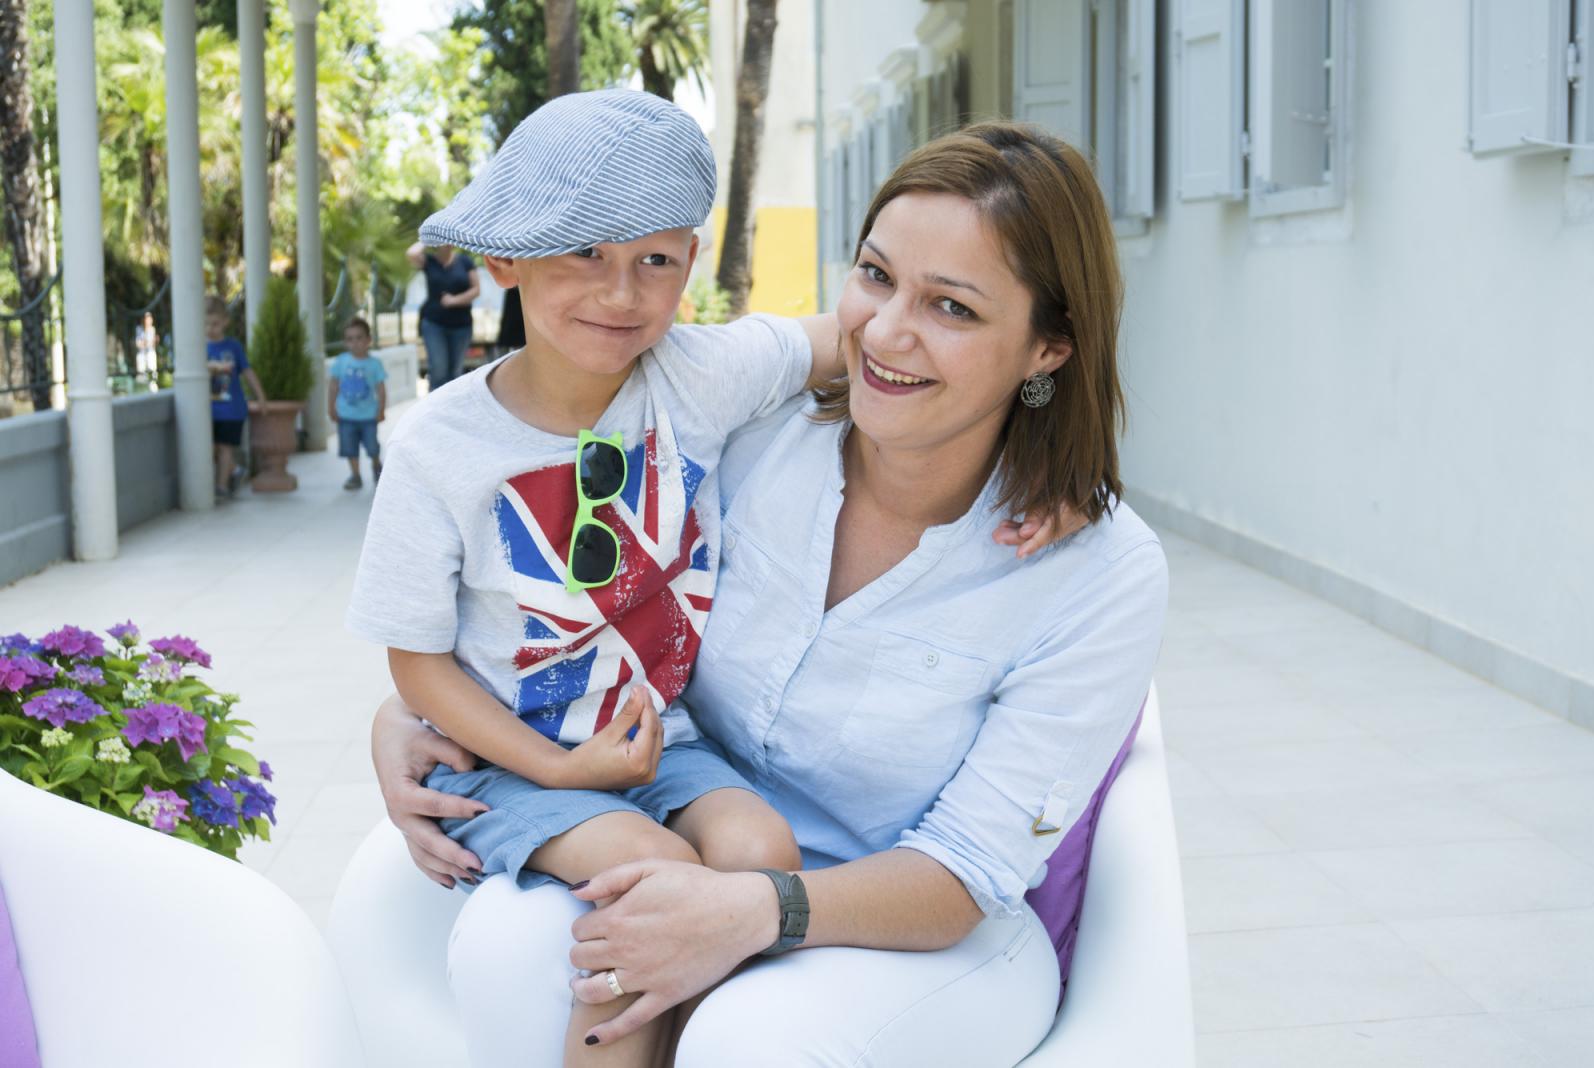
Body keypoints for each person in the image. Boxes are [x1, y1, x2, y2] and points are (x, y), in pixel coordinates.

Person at [370, 121, 1166, 1067]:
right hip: (677, 817)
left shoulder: (1098, 571)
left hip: (916, 926)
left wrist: (751, 911)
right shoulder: (746, 434)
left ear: (1048, 349)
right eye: (875, 275)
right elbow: (539, 602)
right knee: (516, 955)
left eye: (952, 307)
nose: (887, 331)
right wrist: (408, 719)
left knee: (753, 1038)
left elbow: (969, 870)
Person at [205, 295, 264, 500]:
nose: (210, 328)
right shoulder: (198, 349)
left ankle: (221, 487)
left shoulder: (233, 346)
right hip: (208, 410)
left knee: (225, 447)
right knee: (211, 448)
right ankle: (234, 470)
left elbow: (247, 372)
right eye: (206, 324)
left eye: (215, 323)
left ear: (225, 322)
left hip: (231, 410)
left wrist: (260, 396)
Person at [407, 239, 480, 392]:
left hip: (461, 325)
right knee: (438, 369)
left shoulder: (464, 261)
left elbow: (476, 290)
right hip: (434, 324)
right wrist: (429, 237)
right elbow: (411, 253)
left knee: (455, 372)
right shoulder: (429, 261)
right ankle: (435, 404)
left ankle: (454, 405)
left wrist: (454, 300)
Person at [328, 316, 388, 490]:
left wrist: (381, 410)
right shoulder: (341, 362)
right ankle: (355, 475)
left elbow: (381, 389)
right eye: (350, 339)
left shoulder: (374, 364)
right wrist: (331, 407)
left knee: (372, 445)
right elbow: (333, 386)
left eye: (359, 338)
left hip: (368, 416)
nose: (354, 343)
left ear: (368, 340)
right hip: (346, 416)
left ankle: (376, 464)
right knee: (349, 447)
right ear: (345, 342)